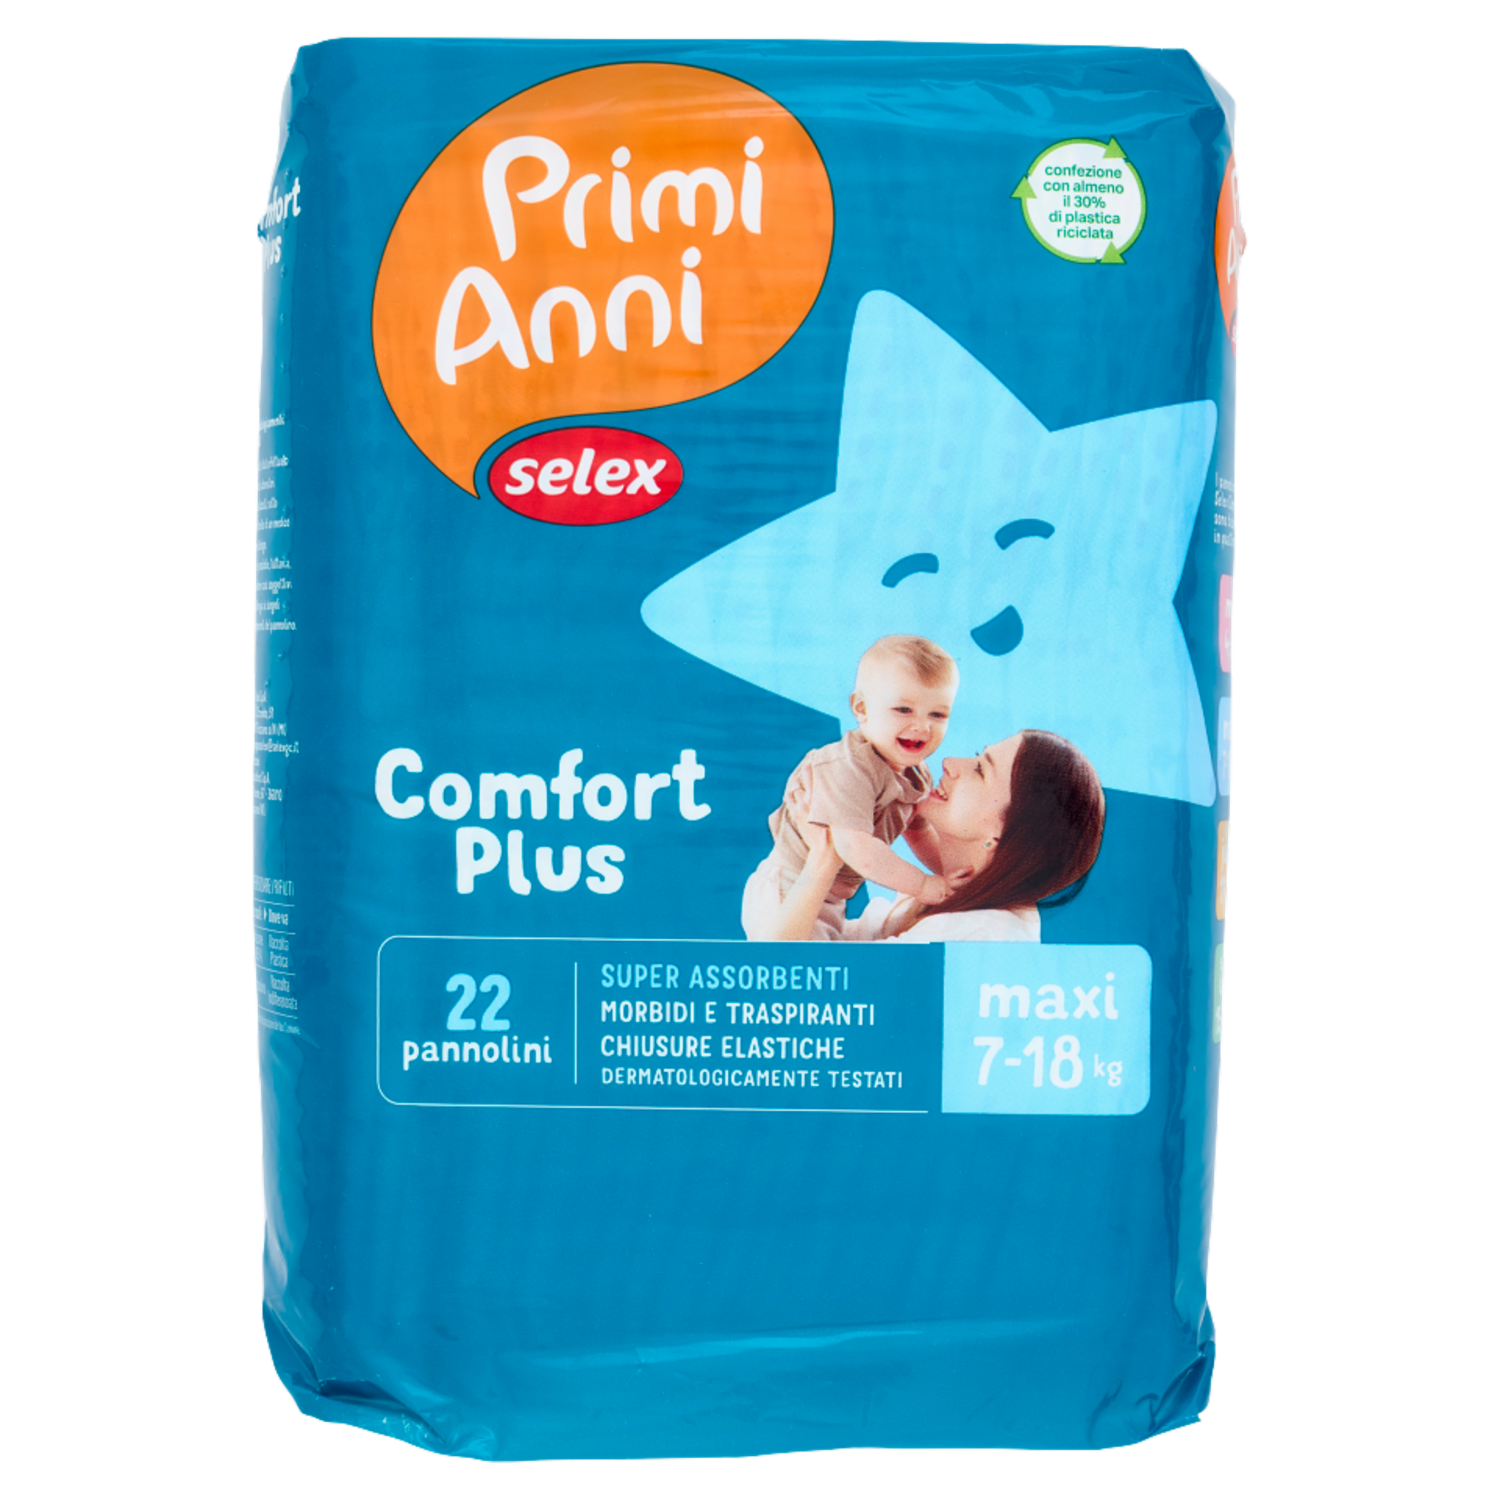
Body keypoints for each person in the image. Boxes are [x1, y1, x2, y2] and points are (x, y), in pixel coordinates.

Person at [762, 730, 1105, 942]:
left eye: (980, 770)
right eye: (976, 756)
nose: (950, 762)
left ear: (1003, 836)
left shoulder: (984, 933)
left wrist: (823, 859)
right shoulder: (958, 901)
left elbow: (795, 986)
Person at [741, 635, 964, 941]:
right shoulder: (849, 766)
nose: (922, 726)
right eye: (903, 709)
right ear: (861, 708)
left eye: (937, 714)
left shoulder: (916, 773)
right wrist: (924, 885)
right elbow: (858, 849)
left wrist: (950, 873)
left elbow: (919, 831)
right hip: (789, 888)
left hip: (831, 898)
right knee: (801, 963)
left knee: (835, 955)